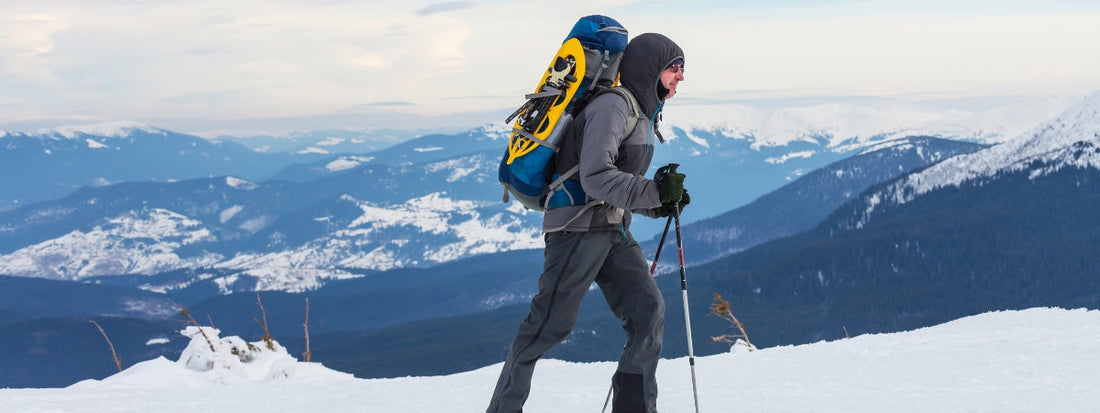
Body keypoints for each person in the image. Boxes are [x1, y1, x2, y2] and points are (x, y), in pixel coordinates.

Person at [486, 32, 687, 413]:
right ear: (651, 68)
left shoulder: (642, 113)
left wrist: (660, 204)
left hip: (611, 229)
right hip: (576, 230)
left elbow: (613, 186)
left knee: (648, 312)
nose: (680, 77)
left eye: (682, 69)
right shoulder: (613, 107)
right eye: (674, 68)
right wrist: (654, 193)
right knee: (547, 327)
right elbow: (595, 176)